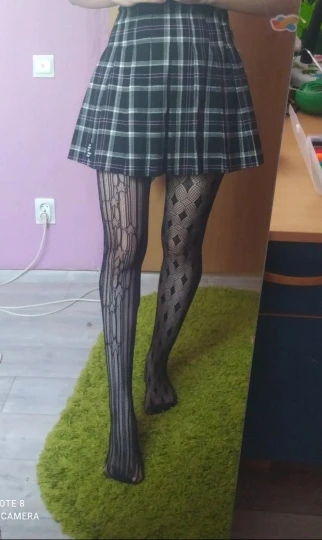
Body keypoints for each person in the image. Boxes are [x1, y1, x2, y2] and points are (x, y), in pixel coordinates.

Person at [68, 0, 299, 485]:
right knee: (122, 251)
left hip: (205, 74)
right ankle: (120, 415)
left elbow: (281, 4)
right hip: (132, 72)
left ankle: (156, 366)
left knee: (182, 244)